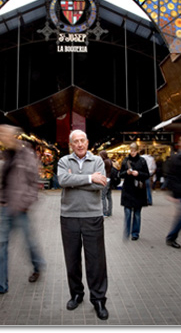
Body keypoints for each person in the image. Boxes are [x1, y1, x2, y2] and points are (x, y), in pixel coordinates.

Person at [0, 125, 46, 299]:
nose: (1, 137)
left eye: (3, 134)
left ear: (13, 136)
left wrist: (25, 203)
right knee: (1, 246)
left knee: (29, 242)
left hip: (20, 209)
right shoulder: (5, 155)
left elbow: (34, 182)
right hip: (4, 207)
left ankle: (38, 265)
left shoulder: (27, 155)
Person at [57, 130, 109, 320]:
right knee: (72, 259)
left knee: (96, 260)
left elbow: (100, 184)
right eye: (75, 141)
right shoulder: (64, 161)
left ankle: (99, 299)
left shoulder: (97, 161)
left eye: (82, 141)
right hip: (69, 216)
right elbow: (62, 180)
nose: (79, 144)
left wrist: (75, 181)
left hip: (92, 216)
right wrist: (89, 178)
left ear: (87, 143)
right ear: (71, 144)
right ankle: (77, 294)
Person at [120, 143, 150, 240]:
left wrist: (138, 173)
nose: (132, 153)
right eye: (131, 150)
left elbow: (147, 175)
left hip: (138, 191)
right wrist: (127, 173)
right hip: (128, 190)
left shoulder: (142, 161)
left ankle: (135, 233)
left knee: (137, 213)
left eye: (134, 151)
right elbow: (120, 174)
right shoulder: (125, 160)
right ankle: (127, 231)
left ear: (137, 151)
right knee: (128, 213)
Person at [99, 150, 113, 217]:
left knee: (103, 196)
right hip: (110, 179)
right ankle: (109, 211)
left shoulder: (104, 162)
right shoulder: (110, 161)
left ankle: (104, 212)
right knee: (109, 197)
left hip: (106, 179)